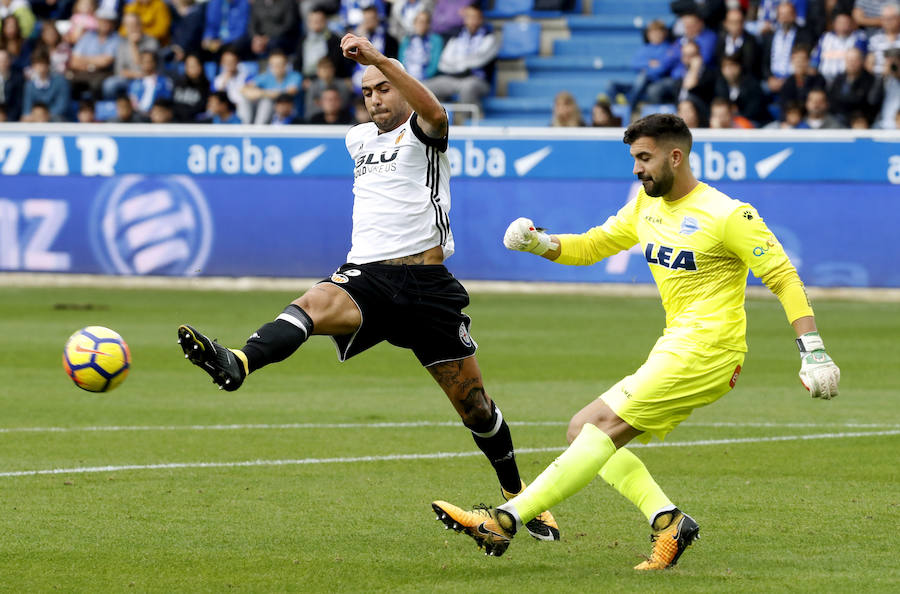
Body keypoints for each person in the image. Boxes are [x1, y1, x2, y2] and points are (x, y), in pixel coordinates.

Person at [176, 32, 560, 544]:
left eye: (383, 87)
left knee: (475, 407)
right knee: (313, 303)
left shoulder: (426, 132)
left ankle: (521, 500)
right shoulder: (357, 139)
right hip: (369, 276)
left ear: (401, 87)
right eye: (368, 91)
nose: (376, 98)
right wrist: (376, 68)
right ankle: (238, 362)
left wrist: (381, 59)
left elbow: (437, 111)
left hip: (428, 285)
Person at [431, 113, 840, 568]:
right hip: (678, 345)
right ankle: (668, 521)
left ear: (675, 155)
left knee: (598, 429)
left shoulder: (727, 214)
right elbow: (593, 246)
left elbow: (782, 277)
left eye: (644, 158)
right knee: (582, 429)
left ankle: (502, 521)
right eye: (634, 158)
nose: (637, 168)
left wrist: (813, 349)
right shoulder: (645, 207)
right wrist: (538, 243)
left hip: (709, 350)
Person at [424, 3, 499, 122]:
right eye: (469, 17)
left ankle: (470, 125)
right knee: (425, 87)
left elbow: (478, 60)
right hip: (453, 78)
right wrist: (462, 64)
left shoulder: (489, 37)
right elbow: (444, 61)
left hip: (477, 79)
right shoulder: (456, 36)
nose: (472, 21)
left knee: (468, 88)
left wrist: (458, 63)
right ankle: (438, 123)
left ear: (481, 19)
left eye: (475, 17)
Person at [240, 48, 301, 123]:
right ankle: (245, 127)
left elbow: (289, 92)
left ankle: (259, 129)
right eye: (273, 65)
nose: (276, 67)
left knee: (267, 102)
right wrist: (265, 93)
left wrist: (262, 93)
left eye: (279, 64)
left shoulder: (295, 76)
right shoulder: (266, 76)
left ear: (286, 65)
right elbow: (243, 89)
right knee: (244, 100)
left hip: (289, 112)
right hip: (266, 110)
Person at [714, 53, 771, 125]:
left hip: (755, 123)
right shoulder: (720, 85)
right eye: (725, 66)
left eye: (732, 65)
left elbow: (754, 110)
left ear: (740, 67)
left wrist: (737, 115)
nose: (729, 69)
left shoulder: (752, 85)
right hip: (730, 123)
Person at [811, 11, 868, 83]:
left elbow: (860, 61)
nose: (843, 25)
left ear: (852, 24)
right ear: (834, 24)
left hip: (847, 81)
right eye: (840, 22)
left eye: (846, 23)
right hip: (823, 80)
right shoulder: (825, 37)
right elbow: (814, 61)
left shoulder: (859, 37)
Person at [828, 46, 876, 123]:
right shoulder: (839, 78)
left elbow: (867, 104)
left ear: (862, 61)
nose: (852, 63)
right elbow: (832, 100)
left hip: (861, 121)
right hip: (838, 118)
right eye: (849, 60)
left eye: (855, 60)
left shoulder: (870, 79)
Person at [22, 49, 70, 120]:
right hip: (35, 120)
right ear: (33, 66)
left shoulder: (60, 81)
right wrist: (34, 116)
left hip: (56, 120)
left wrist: (45, 116)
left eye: (43, 63)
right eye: (37, 64)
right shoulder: (29, 85)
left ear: (48, 64)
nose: (40, 67)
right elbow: (27, 109)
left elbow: (62, 105)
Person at [397, 9, 442, 82]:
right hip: (407, 77)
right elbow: (401, 61)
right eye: (419, 22)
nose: (422, 25)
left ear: (428, 25)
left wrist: (423, 77)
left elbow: (434, 65)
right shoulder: (406, 40)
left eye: (425, 22)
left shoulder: (436, 40)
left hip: (426, 79)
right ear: (414, 23)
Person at [172, 52, 210, 122]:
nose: (192, 69)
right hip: (176, 122)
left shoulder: (207, 86)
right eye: (189, 66)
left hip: (195, 123)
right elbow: (173, 104)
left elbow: (203, 107)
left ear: (201, 66)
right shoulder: (178, 84)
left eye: (194, 65)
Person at [866, 2, 900, 76]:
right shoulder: (874, 39)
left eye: (891, 18)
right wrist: (884, 71)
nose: (888, 22)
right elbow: (869, 65)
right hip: (879, 79)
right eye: (885, 19)